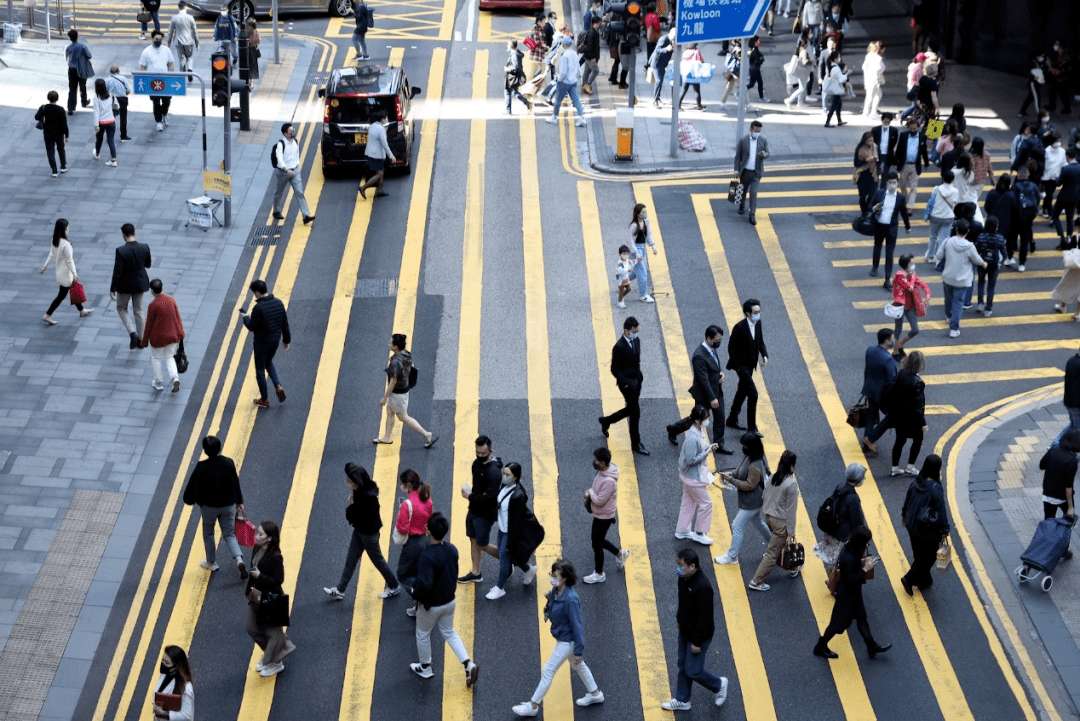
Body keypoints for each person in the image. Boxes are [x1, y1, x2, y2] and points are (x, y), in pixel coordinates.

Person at [512, 559, 604, 716]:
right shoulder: (556, 591)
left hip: (568, 642)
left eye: (556, 576)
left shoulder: (571, 600)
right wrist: (550, 598)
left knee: (548, 671)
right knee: (578, 666)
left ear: (565, 578)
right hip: (563, 638)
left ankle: (532, 706)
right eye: (552, 574)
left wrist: (578, 651)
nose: (552, 578)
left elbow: (578, 627)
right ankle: (595, 694)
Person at [408, 513, 480, 686]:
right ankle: (468, 664)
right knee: (450, 633)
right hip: (449, 601)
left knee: (423, 634)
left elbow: (425, 583)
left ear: (429, 533)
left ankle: (425, 668)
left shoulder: (427, 556)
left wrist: (415, 595)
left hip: (431, 605)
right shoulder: (451, 549)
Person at [661, 548, 729, 711]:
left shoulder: (703, 587)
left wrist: (697, 642)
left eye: (681, 565)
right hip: (684, 631)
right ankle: (682, 699)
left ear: (692, 567)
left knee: (693, 670)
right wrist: (679, 619)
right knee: (682, 665)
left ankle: (719, 684)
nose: (678, 568)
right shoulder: (683, 578)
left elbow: (705, 618)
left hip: (698, 636)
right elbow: (682, 601)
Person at [324, 463, 401, 600]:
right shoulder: (362, 490)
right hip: (361, 531)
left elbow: (357, 515)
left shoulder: (367, 498)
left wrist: (352, 506)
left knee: (378, 560)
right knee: (351, 560)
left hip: (368, 534)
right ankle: (340, 589)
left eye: (351, 482)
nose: (349, 484)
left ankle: (394, 585)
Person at [813, 526, 890, 659]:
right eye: (866, 542)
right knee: (836, 625)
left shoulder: (850, 548)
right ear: (860, 542)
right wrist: (865, 569)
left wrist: (862, 563)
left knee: (861, 618)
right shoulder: (848, 558)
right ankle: (820, 646)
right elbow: (850, 580)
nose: (867, 545)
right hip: (847, 596)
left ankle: (871, 645)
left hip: (853, 594)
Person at [182, 435, 247, 578]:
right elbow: (235, 483)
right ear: (220, 447)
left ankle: (212, 562)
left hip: (209, 507)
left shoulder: (202, 467)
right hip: (228, 505)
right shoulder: (228, 463)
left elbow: (194, 488)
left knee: (209, 533)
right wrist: (239, 501)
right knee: (229, 534)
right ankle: (239, 559)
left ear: (205, 450)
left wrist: (196, 501)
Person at [667, 325, 732, 454]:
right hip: (705, 394)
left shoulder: (711, 349)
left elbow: (714, 365)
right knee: (696, 420)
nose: (719, 343)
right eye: (717, 341)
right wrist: (712, 398)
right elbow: (703, 380)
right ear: (708, 338)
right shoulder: (699, 356)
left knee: (720, 418)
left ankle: (719, 444)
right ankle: (673, 429)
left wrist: (721, 372)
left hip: (717, 390)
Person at [486, 462, 543, 599]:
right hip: (502, 529)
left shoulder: (517, 496)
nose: (504, 476)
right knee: (506, 555)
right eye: (503, 473)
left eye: (507, 474)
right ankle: (529, 570)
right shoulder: (504, 486)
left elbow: (516, 524)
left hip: (509, 533)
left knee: (504, 558)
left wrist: (511, 543)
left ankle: (500, 588)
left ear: (515, 477)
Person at [244, 520, 294, 676]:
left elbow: (278, 580)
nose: (256, 535)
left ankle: (275, 661)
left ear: (270, 538)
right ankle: (273, 655)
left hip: (270, 599)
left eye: (260, 534)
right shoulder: (257, 547)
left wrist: (260, 576)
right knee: (251, 628)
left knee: (273, 633)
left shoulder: (276, 557)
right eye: (257, 532)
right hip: (255, 595)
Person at [865, 351, 927, 475]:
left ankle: (895, 468)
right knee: (918, 440)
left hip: (898, 415)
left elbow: (891, 390)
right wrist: (923, 423)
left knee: (899, 441)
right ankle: (910, 466)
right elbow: (918, 406)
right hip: (912, 418)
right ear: (920, 365)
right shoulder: (918, 382)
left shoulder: (901, 373)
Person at [715, 432, 772, 564]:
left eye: (744, 445)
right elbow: (741, 470)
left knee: (737, 526)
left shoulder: (755, 465)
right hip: (755, 499)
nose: (742, 448)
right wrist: (732, 474)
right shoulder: (751, 456)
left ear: (750, 447)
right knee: (758, 522)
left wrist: (732, 480)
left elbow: (749, 485)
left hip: (752, 501)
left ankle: (732, 556)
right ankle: (774, 546)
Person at [748, 450, 801, 591]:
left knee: (778, 544)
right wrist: (791, 531)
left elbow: (765, 495)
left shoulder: (772, 477)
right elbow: (791, 510)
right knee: (772, 552)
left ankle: (793, 566)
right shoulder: (791, 484)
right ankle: (756, 580)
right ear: (792, 467)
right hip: (780, 522)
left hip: (769, 517)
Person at [374, 333, 438, 447]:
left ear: (395, 347)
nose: (388, 344)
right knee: (390, 411)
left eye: (390, 343)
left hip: (397, 394)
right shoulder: (406, 354)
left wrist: (384, 398)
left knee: (403, 417)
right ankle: (387, 437)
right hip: (404, 389)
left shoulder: (395, 363)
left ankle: (427, 434)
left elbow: (393, 382)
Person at [899, 455, 950, 596]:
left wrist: (904, 515)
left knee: (919, 553)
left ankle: (924, 580)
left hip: (911, 523)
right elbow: (941, 510)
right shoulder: (936, 488)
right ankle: (908, 579)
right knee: (929, 556)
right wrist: (945, 529)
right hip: (927, 527)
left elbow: (907, 498)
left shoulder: (916, 481)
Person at [599, 317, 649, 455]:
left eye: (637, 331)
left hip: (637, 380)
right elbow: (614, 369)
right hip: (627, 384)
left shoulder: (636, 340)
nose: (636, 333)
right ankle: (635, 443)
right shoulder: (619, 347)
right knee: (635, 411)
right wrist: (625, 382)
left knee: (631, 409)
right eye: (634, 331)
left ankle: (606, 421)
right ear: (626, 331)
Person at [457, 435, 503, 583]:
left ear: (490, 450)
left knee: (481, 543)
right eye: (478, 452)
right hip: (474, 509)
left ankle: (509, 560)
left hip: (484, 513)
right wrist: (471, 495)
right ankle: (476, 572)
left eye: (484, 453)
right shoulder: (476, 464)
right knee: (473, 539)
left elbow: (491, 499)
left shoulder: (493, 472)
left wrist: (470, 496)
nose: (480, 456)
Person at [675, 406, 719, 547]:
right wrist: (707, 453)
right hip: (694, 478)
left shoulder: (699, 431)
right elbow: (691, 460)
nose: (707, 420)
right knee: (706, 504)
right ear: (697, 420)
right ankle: (700, 533)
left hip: (690, 476)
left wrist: (708, 448)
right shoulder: (692, 438)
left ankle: (682, 530)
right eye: (705, 418)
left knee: (689, 503)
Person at [934, 218, 987, 337]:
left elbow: (938, 255)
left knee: (948, 299)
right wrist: (984, 263)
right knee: (958, 303)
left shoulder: (947, 241)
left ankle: (948, 316)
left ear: (956, 229)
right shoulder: (969, 246)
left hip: (948, 277)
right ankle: (954, 328)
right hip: (963, 280)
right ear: (967, 232)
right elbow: (977, 260)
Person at [241, 279, 290, 408]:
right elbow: (285, 324)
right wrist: (286, 341)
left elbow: (252, 326)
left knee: (260, 370)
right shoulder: (279, 303)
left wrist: (245, 317)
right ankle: (278, 385)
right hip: (275, 341)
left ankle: (264, 399)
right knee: (268, 362)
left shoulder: (258, 308)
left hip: (261, 343)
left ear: (257, 292)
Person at [583, 447, 628, 583]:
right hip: (600, 514)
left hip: (604, 516)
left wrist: (590, 492)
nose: (594, 462)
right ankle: (620, 554)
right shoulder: (603, 471)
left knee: (596, 544)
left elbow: (600, 501)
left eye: (596, 460)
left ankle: (599, 573)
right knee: (598, 540)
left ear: (602, 463)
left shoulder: (609, 482)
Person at [812, 463, 867, 568]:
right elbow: (857, 522)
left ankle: (834, 575)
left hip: (831, 529)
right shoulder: (853, 498)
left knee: (836, 559)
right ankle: (835, 579)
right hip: (842, 536)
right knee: (842, 562)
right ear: (857, 480)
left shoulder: (840, 487)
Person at [726, 299, 768, 434]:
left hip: (751, 365)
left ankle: (732, 418)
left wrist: (764, 355)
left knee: (742, 391)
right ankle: (751, 428)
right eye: (755, 312)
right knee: (753, 394)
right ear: (747, 313)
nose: (758, 314)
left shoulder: (758, 323)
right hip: (742, 366)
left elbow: (760, 341)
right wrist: (738, 367)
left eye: (759, 311)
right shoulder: (739, 327)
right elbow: (731, 349)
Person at [40, 219, 92, 324]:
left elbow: (51, 255)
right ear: (65, 229)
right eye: (67, 226)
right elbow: (69, 261)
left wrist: (44, 267)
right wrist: (74, 273)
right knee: (62, 295)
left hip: (59, 273)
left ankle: (81, 310)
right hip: (66, 274)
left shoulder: (55, 240)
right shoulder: (66, 244)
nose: (68, 228)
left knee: (71, 290)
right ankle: (48, 315)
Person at [395, 469, 434, 606]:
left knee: (403, 574)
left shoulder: (407, 505)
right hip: (425, 540)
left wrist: (401, 513)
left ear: (409, 486)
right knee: (419, 572)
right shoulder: (427, 499)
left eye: (402, 484)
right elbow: (430, 519)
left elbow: (403, 528)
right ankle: (419, 607)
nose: (401, 487)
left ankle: (420, 596)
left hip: (413, 543)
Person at [140, 279, 185, 393]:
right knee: (169, 357)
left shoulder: (153, 305)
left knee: (156, 358)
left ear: (152, 291)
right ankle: (175, 378)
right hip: (172, 336)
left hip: (158, 338)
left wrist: (144, 341)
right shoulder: (171, 300)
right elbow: (177, 318)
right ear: (162, 288)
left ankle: (158, 382)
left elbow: (148, 325)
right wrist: (180, 334)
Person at [869, 171, 912, 288]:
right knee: (877, 247)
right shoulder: (879, 193)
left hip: (891, 229)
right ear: (886, 183)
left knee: (889, 254)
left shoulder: (900, 197)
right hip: (879, 226)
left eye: (895, 182)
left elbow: (904, 213)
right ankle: (875, 266)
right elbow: (870, 207)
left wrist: (908, 227)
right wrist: (875, 208)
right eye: (890, 182)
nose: (893, 184)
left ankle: (887, 279)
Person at [859, 329, 897, 455]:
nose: (893, 341)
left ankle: (866, 444)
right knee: (892, 417)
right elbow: (892, 380)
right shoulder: (888, 359)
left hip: (869, 388)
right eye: (892, 339)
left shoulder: (870, 350)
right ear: (887, 342)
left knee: (871, 415)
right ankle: (870, 438)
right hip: (881, 393)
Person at [1039, 432, 1079, 546]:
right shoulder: (1072, 460)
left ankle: (1047, 547)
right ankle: (1063, 549)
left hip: (1047, 493)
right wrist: (1070, 507)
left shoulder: (1053, 450)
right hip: (1062, 497)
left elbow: (1042, 465)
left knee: (1048, 520)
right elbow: (1068, 486)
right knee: (1067, 523)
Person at [271, 123, 315, 223]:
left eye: (293, 130)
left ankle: (306, 215)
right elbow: (280, 160)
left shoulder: (295, 141)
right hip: (283, 172)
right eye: (291, 131)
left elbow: (296, 154)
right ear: (285, 133)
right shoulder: (280, 144)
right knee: (279, 192)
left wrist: (296, 165)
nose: (293, 133)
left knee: (299, 192)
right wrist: (287, 170)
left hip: (294, 171)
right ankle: (276, 211)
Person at [891, 255, 930, 358]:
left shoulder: (911, 274)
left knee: (915, 329)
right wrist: (913, 277)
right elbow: (910, 287)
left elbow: (923, 285)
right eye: (911, 263)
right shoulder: (900, 275)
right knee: (898, 329)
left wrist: (927, 296)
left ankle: (899, 345)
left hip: (910, 306)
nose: (913, 265)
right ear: (906, 265)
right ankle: (895, 351)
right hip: (900, 305)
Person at [545, 35, 586, 128]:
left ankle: (554, 117)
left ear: (563, 44)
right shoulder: (574, 54)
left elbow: (563, 73)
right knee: (576, 100)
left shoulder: (564, 56)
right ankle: (582, 117)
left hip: (564, 82)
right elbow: (578, 69)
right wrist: (575, 77)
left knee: (558, 100)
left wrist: (559, 81)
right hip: (573, 81)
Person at [734, 121, 770, 226]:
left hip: (756, 172)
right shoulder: (743, 140)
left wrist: (765, 154)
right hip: (745, 171)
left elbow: (768, 153)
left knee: (753, 192)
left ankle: (752, 214)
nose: (757, 133)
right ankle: (741, 205)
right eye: (755, 130)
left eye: (759, 131)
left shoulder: (763, 140)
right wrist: (736, 170)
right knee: (743, 190)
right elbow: (738, 157)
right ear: (751, 129)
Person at [139, 32, 175, 132]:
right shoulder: (146, 51)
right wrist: (144, 79)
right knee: (156, 101)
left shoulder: (166, 50)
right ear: (152, 39)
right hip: (152, 81)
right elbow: (142, 67)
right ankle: (159, 122)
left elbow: (170, 64)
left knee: (167, 100)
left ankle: (165, 114)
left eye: (160, 39)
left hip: (165, 79)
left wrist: (171, 76)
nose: (158, 41)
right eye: (156, 39)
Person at [358, 110, 398, 199]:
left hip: (370, 153)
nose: (387, 119)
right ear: (382, 120)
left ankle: (380, 191)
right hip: (377, 155)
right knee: (379, 174)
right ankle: (363, 188)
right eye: (386, 118)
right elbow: (385, 144)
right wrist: (391, 156)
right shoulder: (381, 129)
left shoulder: (372, 126)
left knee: (381, 172)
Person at [150, 645, 194, 720]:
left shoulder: (186, 688)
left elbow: (186, 716)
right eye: (162, 660)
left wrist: (164, 714)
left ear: (177, 666)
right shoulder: (164, 675)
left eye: (167, 663)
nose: (163, 664)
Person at [974, 216, 1006, 316]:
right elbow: (1004, 253)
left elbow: (977, 250)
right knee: (991, 287)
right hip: (994, 265)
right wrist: (1003, 262)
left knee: (981, 283)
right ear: (997, 226)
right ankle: (988, 309)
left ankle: (980, 304)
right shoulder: (1000, 238)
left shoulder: (981, 236)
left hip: (982, 263)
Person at [626, 204, 657, 303]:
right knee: (642, 273)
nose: (645, 213)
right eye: (643, 212)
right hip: (636, 250)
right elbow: (631, 241)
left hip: (643, 248)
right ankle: (643, 295)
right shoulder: (634, 226)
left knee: (637, 272)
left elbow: (649, 234)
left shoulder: (646, 221)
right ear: (638, 213)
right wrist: (636, 253)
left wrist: (652, 245)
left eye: (645, 211)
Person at [1011, 167, 1040, 271]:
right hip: (1029, 218)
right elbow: (1037, 200)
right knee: (1024, 240)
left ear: (1018, 174)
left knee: (1012, 237)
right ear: (1028, 175)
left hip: (1017, 217)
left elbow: (1012, 202)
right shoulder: (1033, 186)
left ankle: (1010, 256)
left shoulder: (1016, 187)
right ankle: (1022, 264)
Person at [925, 170, 958, 262]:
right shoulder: (955, 191)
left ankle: (930, 257)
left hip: (935, 215)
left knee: (933, 236)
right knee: (944, 239)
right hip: (948, 217)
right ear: (952, 180)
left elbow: (932, 200)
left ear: (943, 178)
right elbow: (955, 203)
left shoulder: (936, 189)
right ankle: (939, 259)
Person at [35, 90, 69, 177]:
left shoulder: (44, 108)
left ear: (48, 98)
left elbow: (36, 117)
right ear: (57, 99)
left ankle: (54, 170)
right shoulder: (60, 109)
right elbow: (64, 123)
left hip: (48, 133)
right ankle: (63, 166)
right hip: (59, 133)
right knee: (61, 149)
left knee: (50, 151)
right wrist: (66, 135)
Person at [985, 174, 1017, 263]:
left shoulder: (992, 193)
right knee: (1007, 240)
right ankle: (1009, 257)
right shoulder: (1011, 195)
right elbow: (1015, 209)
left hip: (993, 220)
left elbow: (987, 207)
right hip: (1007, 221)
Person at [1052, 150, 1080, 247]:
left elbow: (1058, 183)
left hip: (1063, 197)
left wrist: (1056, 178)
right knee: (1070, 218)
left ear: (1068, 157)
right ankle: (1069, 237)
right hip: (1075, 197)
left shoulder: (1065, 169)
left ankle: (1062, 237)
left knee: (1055, 215)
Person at [167, 1, 200, 75]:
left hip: (178, 41)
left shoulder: (174, 18)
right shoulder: (190, 18)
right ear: (186, 8)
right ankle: (190, 69)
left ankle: (182, 73)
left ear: (178, 8)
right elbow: (195, 32)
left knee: (181, 58)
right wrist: (197, 43)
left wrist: (169, 43)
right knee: (190, 57)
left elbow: (170, 32)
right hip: (189, 41)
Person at [91, 78, 118, 167]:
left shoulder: (96, 98)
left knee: (99, 139)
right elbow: (116, 106)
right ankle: (113, 159)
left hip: (101, 122)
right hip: (111, 121)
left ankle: (97, 154)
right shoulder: (111, 95)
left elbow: (96, 112)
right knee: (111, 140)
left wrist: (96, 125)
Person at [65, 29, 92, 115]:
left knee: (72, 88)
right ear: (77, 36)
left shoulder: (68, 47)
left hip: (72, 69)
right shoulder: (83, 46)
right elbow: (89, 55)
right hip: (81, 68)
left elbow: (67, 58)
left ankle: (71, 107)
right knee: (82, 85)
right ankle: (84, 102)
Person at [1053, 234, 1080, 318]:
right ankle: (1078, 313)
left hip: (1074, 267)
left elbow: (1067, 248)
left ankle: (1063, 306)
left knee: (1067, 285)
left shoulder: (1075, 237)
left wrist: (1067, 242)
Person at [105, 65, 133, 142]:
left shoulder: (107, 80)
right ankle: (123, 136)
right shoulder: (123, 78)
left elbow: (104, 91)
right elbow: (129, 90)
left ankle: (110, 135)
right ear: (118, 71)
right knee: (123, 117)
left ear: (110, 72)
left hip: (111, 99)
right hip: (122, 99)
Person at [503, 41, 532, 116]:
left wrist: (508, 69)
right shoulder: (516, 53)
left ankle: (508, 111)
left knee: (507, 92)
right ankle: (527, 103)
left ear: (511, 46)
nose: (507, 46)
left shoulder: (514, 55)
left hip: (512, 77)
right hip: (515, 77)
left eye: (508, 44)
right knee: (514, 92)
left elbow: (516, 67)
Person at [853, 131, 879, 213]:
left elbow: (880, 159)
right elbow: (856, 163)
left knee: (872, 195)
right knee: (863, 196)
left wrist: (876, 160)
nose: (870, 143)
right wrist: (866, 160)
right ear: (864, 140)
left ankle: (868, 209)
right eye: (868, 141)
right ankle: (864, 212)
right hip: (862, 174)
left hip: (873, 173)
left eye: (872, 140)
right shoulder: (859, 148)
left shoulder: (875, 147)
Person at [648, 29, 674, 108]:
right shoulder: (663, 39)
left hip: (663, 64)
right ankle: (655, 100)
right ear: (671, 33)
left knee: (661, 81)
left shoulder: (672, 40)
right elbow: (657, 50)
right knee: (658, 81)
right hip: (657, 63)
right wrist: (666, 49)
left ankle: (657, 97)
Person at [1020, 50, 1050, 117]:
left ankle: (1022, 112)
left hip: (1037, 84)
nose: (1043, 57)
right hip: (1033, 84)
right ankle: (1040, 115)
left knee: (1030, 98)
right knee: (1037, 98)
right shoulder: (1032, 63)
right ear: (1037, 56)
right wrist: (1034, 77)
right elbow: (1027, 71)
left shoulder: (1041, 63)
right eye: (1041, 56)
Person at [870, 112, 898, 182]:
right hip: (877, 154)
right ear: (882, 120)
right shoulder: (875, 130)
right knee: (875, 174)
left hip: (887, 155)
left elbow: (894, 143)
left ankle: (883, 189)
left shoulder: (894, 131)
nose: (886, 124)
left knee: (885, 175)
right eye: (885, 122)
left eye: (888, 122)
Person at [823, 52, 848, 127]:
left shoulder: (829, 65)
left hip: (832, 88)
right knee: (834, 105)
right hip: (836, 89)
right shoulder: (836, 68)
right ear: (835, 58)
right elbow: (841, 80)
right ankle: (827, 122)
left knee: (839, 103)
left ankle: (839, 120)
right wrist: (847, 74)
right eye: (838, 57)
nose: (839, 58)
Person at [1047, 39, 1072, 115]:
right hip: (1057, 77)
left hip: (1062, 78)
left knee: (1063, 93)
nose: (1055, 45)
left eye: (1057, 44)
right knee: (1053, 92)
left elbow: (1060, 71)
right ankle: (1052, 106)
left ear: (1061, 45)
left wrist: (1050, 67)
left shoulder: (1065, 56)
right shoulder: (1059, 53)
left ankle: (1067, 109)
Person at [679, 44, 707, 111]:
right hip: (694, 74)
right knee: (697, 90)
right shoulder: (696, 52)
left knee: (683, 90)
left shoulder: (685, 52)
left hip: (686, 73)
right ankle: (699, 106)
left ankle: (678, 105)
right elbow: (702, 62)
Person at [861, 42, 884, 117]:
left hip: (868, 78)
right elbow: (879, 68)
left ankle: (869, 111)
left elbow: (864, 67)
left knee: (875, 95)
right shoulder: (878, 58)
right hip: (874, 79)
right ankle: (870, 112)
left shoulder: (868, 56)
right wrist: (879, 74)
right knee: (873, 95)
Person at [581, 16, 602, 95]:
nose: (600, 24)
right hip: (590, 57)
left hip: (590, 56)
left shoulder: (595, 31)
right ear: (595, 24)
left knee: (587, 70)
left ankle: (583, 86)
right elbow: (589, 47)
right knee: (596, 70)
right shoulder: (591, 33)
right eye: (599, 23)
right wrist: (593, 57)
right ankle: (588, 84)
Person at [745, 37, 769, 104]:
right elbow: (759, 60)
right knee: (752, 84)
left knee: (760, 83)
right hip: (754, 70)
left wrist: (760, 59)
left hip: (756, 69)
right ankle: (741, 91)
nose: (759, 41)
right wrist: (760, 60)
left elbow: (760, 59)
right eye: (757, 41)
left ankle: (761, 97)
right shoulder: (754, 51)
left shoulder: (755, 49)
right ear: (754, 43)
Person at [1065, 351, 1080, 431]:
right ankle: (1056, 442)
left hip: (1069, 401)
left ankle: (1056, 442)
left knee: (1073, 426)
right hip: (1076, 404)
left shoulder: (1071, 361)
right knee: (1077, 430)